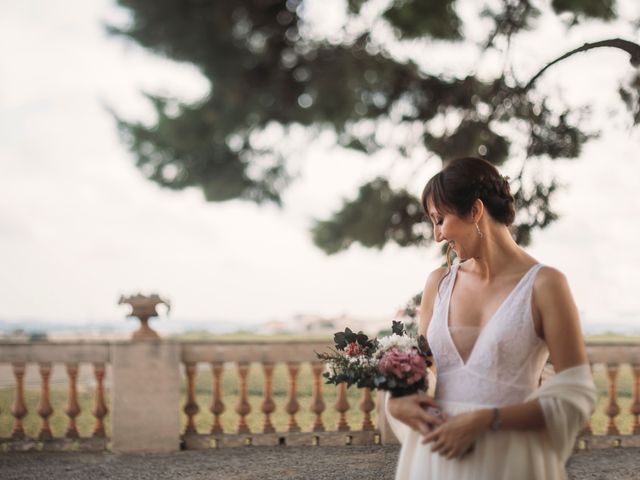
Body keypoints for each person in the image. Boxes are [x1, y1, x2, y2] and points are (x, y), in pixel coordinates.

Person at [386, 157, 597, 480]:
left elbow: (576, 392)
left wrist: (487, 419)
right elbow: (418, 371)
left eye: (440, 219)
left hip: (510, 460)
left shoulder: (546, 285)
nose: (437, 236)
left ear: (475, 211)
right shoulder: (438, 284)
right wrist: (396, 403)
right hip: (436, 460)